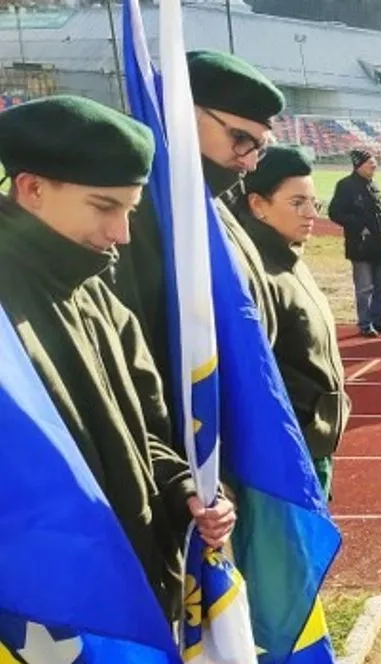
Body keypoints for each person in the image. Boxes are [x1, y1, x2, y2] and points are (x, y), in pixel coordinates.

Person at [0, 96, 236, 616]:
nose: (122, 234)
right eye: (104, 207)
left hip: (129, 585)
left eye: (130, 211)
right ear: (32, 188)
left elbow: (146, 434)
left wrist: (184, 490)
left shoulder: (100, 299)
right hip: (42, 611)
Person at [110, 49, 285, 411]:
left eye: (260, 148)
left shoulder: (215, 204)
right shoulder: (132, 217)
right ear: (183, 115)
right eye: (241, 139)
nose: (250, 162)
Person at [236, 146, 349, 501]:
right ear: (258, 205)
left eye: (314, 203)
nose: (311, 214)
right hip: (289, 453)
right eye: (297, 203)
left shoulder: (290, 258)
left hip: (311, 444)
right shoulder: (258, 271)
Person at [329, 149, 381, 338]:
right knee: (364, 288)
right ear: (358, 165)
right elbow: (335, 213)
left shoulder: (374, 185)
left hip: (379, 244)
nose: (374, 166)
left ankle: (377, 320)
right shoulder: (345, 185)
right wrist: (359, 226)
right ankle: (365, 324)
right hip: (360, 245)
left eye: (374, 162)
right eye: (370, 163)